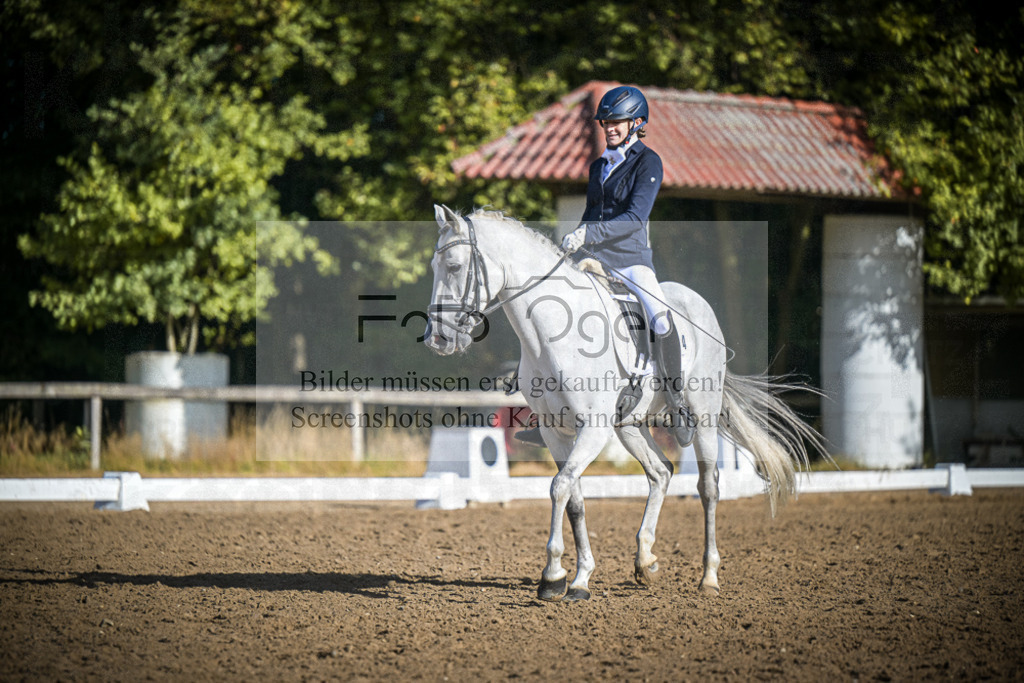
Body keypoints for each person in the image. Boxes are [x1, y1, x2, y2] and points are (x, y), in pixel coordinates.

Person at [516, 85, 696, 449]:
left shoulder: (649, 163)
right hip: (594, 260)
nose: (609, 127)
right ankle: (550, 411)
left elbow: (634, 218)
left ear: (637, 123)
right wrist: (571, 250)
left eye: (616, 122)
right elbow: (590, 214)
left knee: (661, 318)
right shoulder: (599, 165)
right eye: (606, 122)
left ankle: (677, 404)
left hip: (631, 261)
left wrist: (589, 233)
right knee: (549, 310)